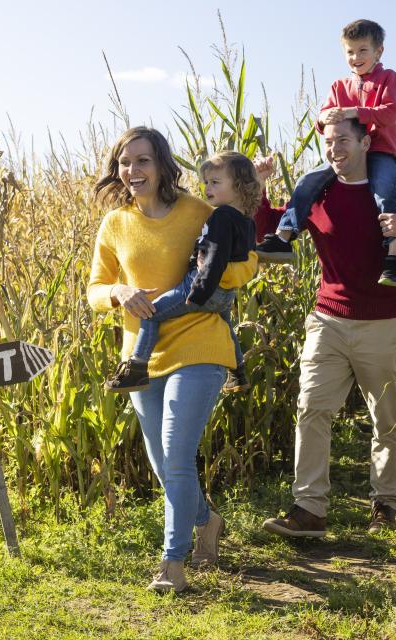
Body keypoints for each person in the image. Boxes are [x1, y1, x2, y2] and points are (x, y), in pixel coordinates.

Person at [87, 127, 258, 593]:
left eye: (143, 160)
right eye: (125, 162)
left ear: (162, 165)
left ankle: (171, 563)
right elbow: (94, 290)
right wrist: (119, 293)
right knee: (163, 465)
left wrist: (219, 280)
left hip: (198, 344)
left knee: (178, 457)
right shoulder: (115, 224)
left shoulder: (198, 210)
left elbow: (243, 260)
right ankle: (206, 520)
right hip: (140, 357)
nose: (133, 170)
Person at [257, 117, 396, 537]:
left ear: (366, 141)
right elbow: (269, 231)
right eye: (327, 141)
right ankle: (309, 509)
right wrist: (261, 186)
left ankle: (386, 505)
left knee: (387, 418)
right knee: (312, 409)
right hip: (328, 321)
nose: (334, 148)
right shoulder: (318, 192)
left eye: (343, 139)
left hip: (383, 323)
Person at [256, 19, 396, 287]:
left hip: (380, 152)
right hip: (347, 156)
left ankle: (393, 259)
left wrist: (350, 112)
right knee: (307, 181)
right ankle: (284, 236)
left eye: (362, 51)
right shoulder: (339, 86)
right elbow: (322, 120)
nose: (355, 58)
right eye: (350, 52)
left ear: (378, 52)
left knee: (384, 192)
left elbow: (388, 112)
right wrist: (327, 116)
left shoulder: (387, 78)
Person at [103, 151, 260, 395]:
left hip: (201, 287)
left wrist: (199, 291)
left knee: (151, 311)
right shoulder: (247, 221)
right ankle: (238, 372)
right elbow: (246, 254)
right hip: (224, 295)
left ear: (239, 187)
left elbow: (215, 257)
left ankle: (137, 368)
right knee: (226, 322)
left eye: (215, 183)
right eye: (206, 182)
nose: (207, 188)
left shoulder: (218, 216)